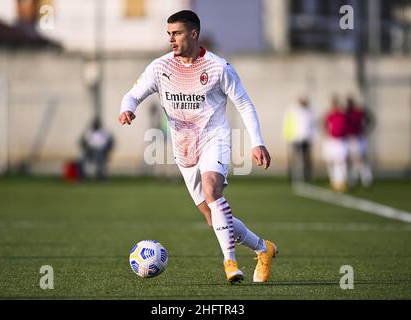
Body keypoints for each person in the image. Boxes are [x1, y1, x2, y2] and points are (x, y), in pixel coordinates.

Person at [118, 10, 277, 284]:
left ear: (193, 33)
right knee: (212, 217)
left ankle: (230, 263)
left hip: (214, 137)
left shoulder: (218, 68)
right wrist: (127, 109)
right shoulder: (160, 67)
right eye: (169, 34)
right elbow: (133, 94)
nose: (172, 39)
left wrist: (257, 142)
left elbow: (244, 104)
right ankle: (263, 248)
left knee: (211, 188)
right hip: (184, 149)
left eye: (177, 33)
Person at [282, 97, 315, 182]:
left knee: (306, 159)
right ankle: (293, 176)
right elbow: (288, 124)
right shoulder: (293, 112)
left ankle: (306, 176)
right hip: (295, 139)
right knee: (295, 159)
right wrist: (288, 136)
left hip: (306, 139)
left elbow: (311, 126)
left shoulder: (309, 112)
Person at [345, 96, 374, 188]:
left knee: (360, 160)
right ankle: (355, 179)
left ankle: (366, 179)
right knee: (354, 161)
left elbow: (369, 120)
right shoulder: (347, 113)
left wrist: (365, 130)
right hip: (351, 139)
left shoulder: (358, 112)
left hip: (358, 139)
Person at [322, 96, 348, 192]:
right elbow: (325, 125)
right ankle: (334, 181)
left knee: (340, 161)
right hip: (331, 140)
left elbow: (345, 127)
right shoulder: (329, 115)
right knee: (331, 161)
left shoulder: (342, 115)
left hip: (341, 141)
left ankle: (341, 181)